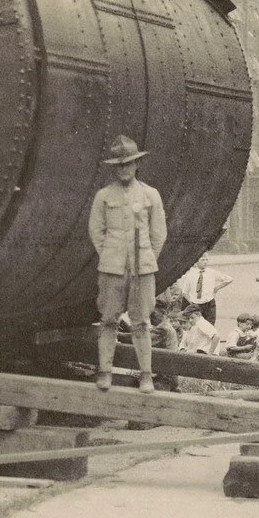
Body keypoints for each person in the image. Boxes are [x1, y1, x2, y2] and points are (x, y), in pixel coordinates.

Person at [88, 134, 165, 394]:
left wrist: (145, 257)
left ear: (136, 165)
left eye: (128, 164)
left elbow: (158, 234)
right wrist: (112, 254)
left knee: (141, 322)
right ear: (114, 168)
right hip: (111, 269)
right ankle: (105, 372)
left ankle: (146, 376)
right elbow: (96, 232)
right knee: (108, 320)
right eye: (119, 165)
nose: (124, 169)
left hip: (142, 269)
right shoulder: (103, 196)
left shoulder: (150, 194)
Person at [169, 259, 232, 326]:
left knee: (210, 326)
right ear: (196, 261)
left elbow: (229, 279)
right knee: (195, 326)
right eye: (202, 260)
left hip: (209, 304)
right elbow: (185, 292)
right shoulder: (190, 274)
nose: (205, 262)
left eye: (206, 260)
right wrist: (192, 302)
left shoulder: (211, 272)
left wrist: (217, 288)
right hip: (195, 304)